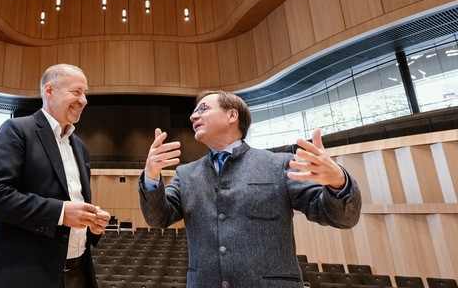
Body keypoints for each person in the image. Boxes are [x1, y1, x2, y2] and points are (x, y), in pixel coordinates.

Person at [139, 90, 361, 288]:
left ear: (232, 115)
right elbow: (158, 218)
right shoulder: (185, 174)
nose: (193, 116)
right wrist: (150, 175)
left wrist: (338, 181)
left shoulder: (280, 164)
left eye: (203, 109)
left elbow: (341, 218)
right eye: (194, 111)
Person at [0, 64, 111, 288]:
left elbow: (72, 202)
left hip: (78, 274)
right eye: (76, 92)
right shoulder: (16, 130)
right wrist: (61, 213)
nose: (84, 100)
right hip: (27, 273)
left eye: (85, 93)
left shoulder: (81, 147)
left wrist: (91, 220)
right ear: (50, 91)